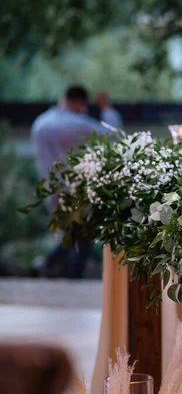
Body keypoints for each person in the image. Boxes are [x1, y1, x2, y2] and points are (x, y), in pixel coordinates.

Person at [32, 84, 116, 278]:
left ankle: (46, 265)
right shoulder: (75, 124)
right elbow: (111, 134)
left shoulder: (41, 122)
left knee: (74, 235)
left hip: (50, 188)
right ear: (79, 102)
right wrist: (107, 110)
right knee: (82, 236)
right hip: (72, 190)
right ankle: (68, 277)